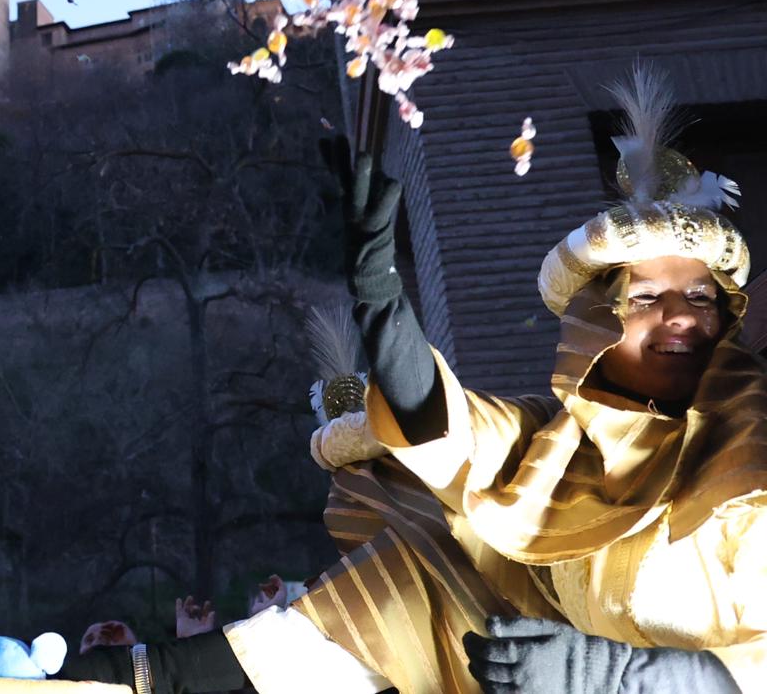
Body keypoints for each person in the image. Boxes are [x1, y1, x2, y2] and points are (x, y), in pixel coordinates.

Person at [61, 70, 764, 693]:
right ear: (594, 322)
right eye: (645, 298)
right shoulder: (551, 447)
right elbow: (446, 429)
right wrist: (381, 297)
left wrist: (626, 679)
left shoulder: (752, 455)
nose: (678, 318)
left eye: (700, 298)